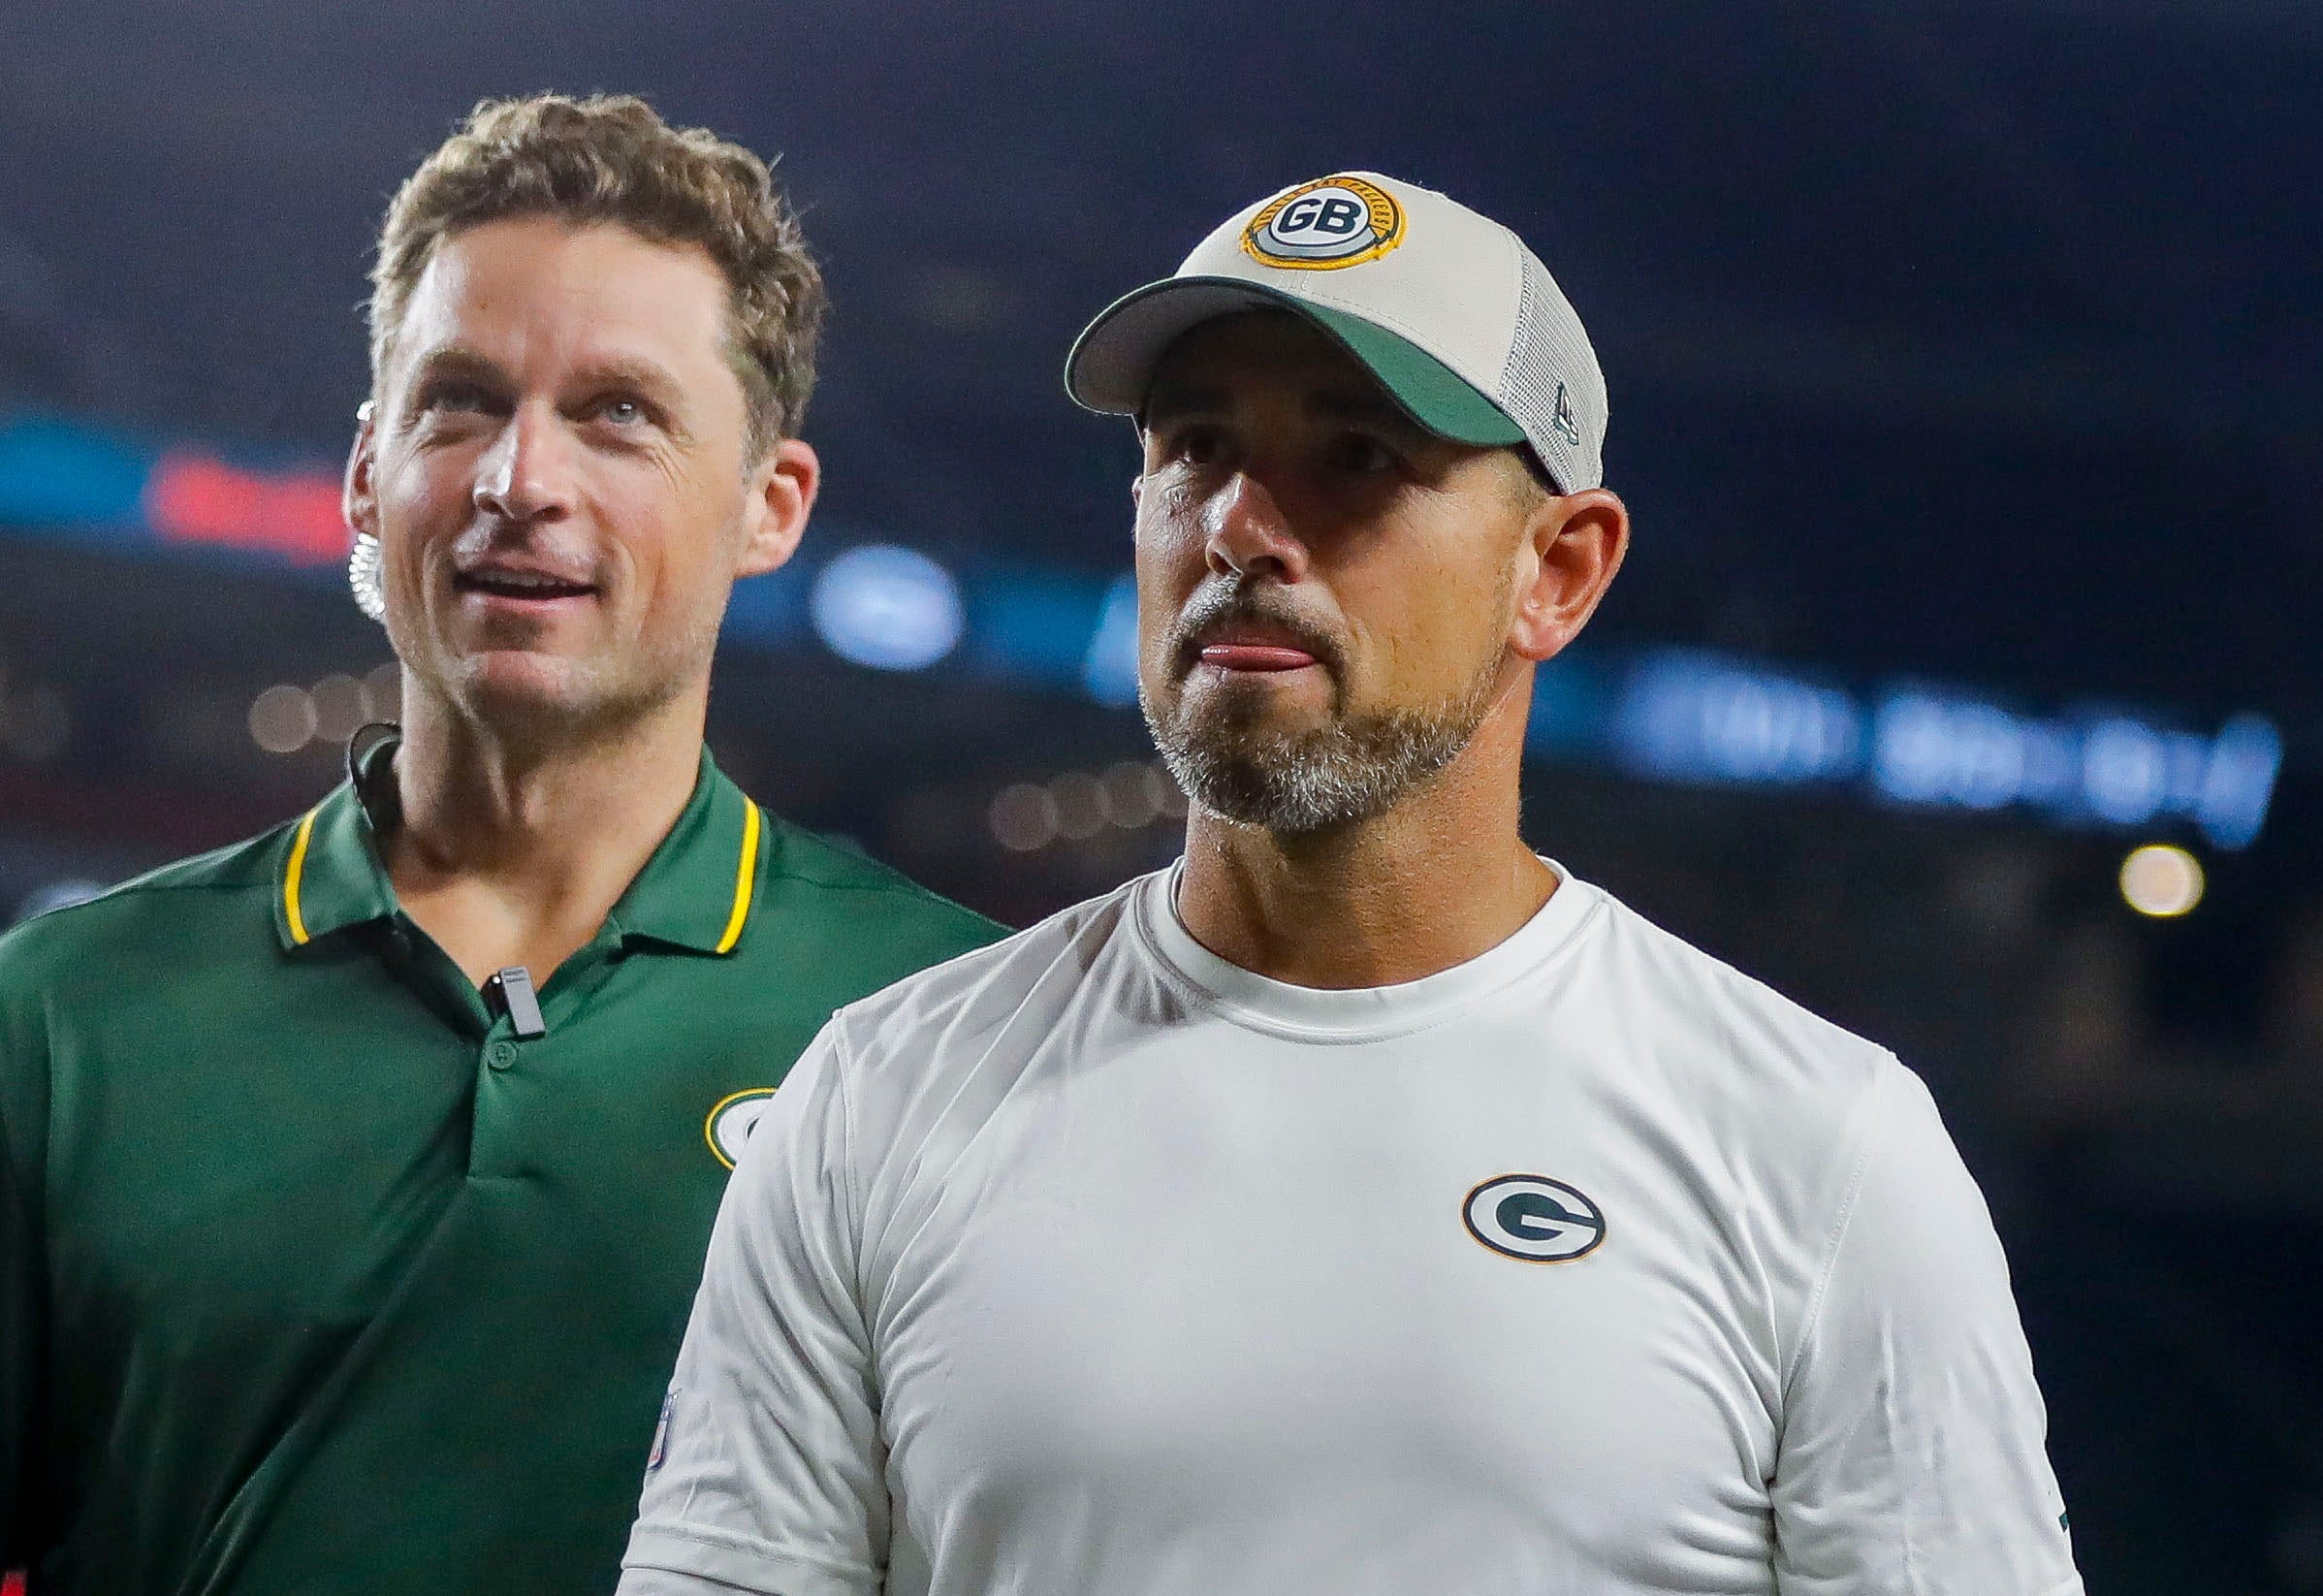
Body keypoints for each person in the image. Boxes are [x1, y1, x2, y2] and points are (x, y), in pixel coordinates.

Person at [619, 173, 2084, 1594]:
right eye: (1195, 447)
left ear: (1557, 572)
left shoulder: (1819, 1149)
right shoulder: (878, 1097)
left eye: (1359, 459)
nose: (1240, 528)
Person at [0, 94, 1001, 1595]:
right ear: (366, 472)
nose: (518, 480)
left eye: (619, 413)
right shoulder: (59, 1015)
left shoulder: (960, 1027)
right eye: (459, 401)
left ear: (769, 505)